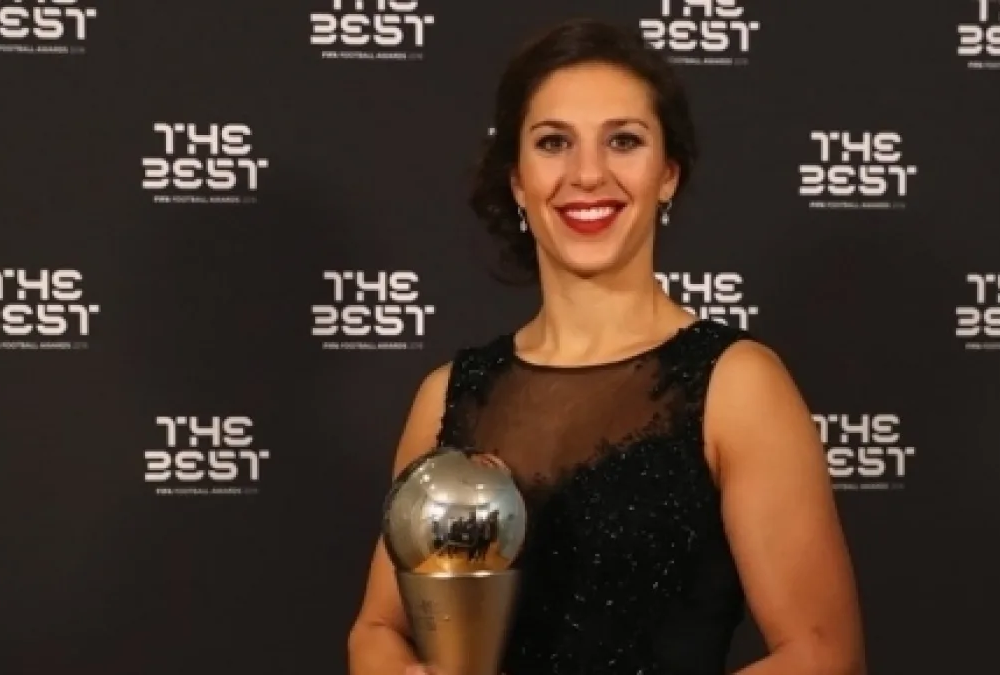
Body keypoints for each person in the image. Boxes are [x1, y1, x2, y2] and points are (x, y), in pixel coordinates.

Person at [347, 17, 866, 675]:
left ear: (668, 173)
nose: (588, 174)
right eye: (553, 142)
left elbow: (824, 656)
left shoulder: (735, 384)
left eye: (623, 140)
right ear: (517, 181)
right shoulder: (448, 396)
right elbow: (377, 628)